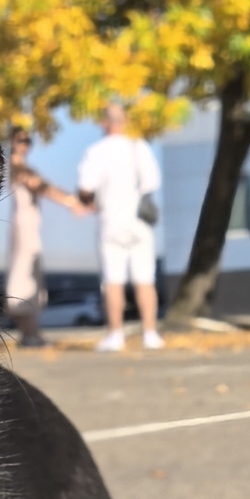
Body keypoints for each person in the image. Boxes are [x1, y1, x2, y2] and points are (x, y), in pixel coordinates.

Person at [75, 100, 164, 351]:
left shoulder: (97, 151)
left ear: (104, 122)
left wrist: (88, 201)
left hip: (110, 222)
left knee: (113, 280)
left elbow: (85, 188)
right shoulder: (140, 147)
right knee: (145, 279)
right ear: (124, 122)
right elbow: (151, 182)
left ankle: (115, 335)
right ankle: (150, 333)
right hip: (139, 223)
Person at [2, 131, 81, 346]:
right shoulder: (19, 169)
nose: (26, 145)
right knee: (25, 275)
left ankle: (31, 333)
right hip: (24, 227)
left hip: (28, 226)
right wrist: (70, 201)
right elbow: (43, 187)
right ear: (12, 142)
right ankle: (29, 334)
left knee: (30, 275)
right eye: (21, 140)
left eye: (29, 141)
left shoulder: (20, 168)